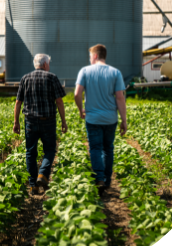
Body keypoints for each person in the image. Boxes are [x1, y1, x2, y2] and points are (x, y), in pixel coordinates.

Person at [74, 44, 127, 195]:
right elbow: (120, 98)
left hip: (92, 118)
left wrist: (80, 109)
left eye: (90, 56)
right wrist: (124, 120)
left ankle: (99, 179)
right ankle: (107, 180)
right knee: (108, 149)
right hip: (110, 118)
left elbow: (77, 94)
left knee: (95, 148)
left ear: (95, 56)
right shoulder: (115, 72)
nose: (90, 59)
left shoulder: (85, 71)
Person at [13, 53, 67, 196]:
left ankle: (33, 186)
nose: (49, 66)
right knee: (49, 149)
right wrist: (63, 121)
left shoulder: (25, 78)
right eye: (48, 63)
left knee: (31, 152)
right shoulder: (52, 78)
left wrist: (16, 122)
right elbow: (59, 101)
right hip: (48, 121)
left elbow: (18, 102)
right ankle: (42, 174)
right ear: (44, 64)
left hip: (30, 121)